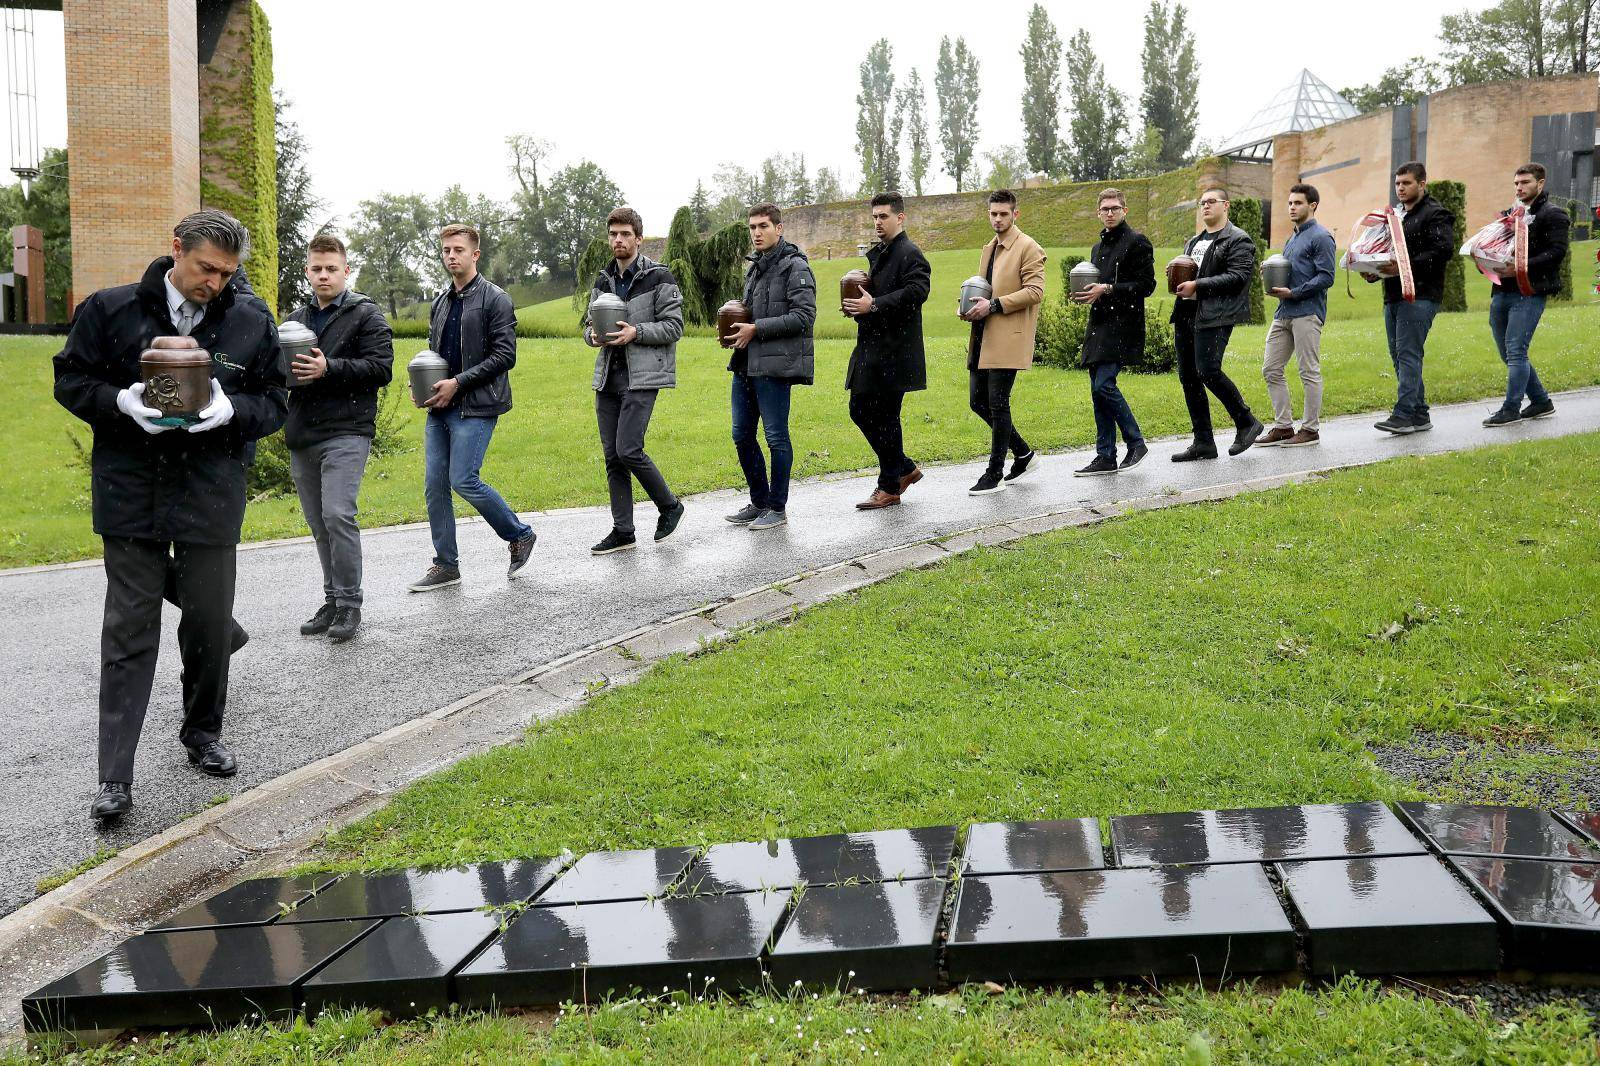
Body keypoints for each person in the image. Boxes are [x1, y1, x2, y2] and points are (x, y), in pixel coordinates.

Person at [53, 209, 287, 824]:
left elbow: (275, 401)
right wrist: (119, 400)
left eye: (227, 273)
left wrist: (230, 411)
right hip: (131, 488)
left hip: (212, 488)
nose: (216, 282)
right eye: (207, 267)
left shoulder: (249, 319)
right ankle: (114, 777)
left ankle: (202, 734)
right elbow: (69, 380)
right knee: (130, 629)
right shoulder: (112, 310)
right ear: (177, 248)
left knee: (208, 624)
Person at [408, 224, 536, 592]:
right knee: (435, 486)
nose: (451, 255)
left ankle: (520, 534)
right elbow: (433, 355)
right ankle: (446, 564)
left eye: (458, 249)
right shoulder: (440, 302)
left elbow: (505, 355)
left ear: (475, 254)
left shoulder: (496, 299)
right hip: (440, 408)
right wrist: (423, 384)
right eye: (446, 249)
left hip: (477, 405)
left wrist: (458, 384)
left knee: (463, 479)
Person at [281, 233, 394, 640]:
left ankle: (349, 605)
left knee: (337, 515)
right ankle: (331, 600)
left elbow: (381, 369)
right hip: (303, 433)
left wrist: (331, 369)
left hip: (347, 430)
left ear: (346, 270)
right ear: (307, 271)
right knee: (318, 523)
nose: (324, 275)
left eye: (332, 269)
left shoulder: (367, 315)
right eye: (316, 269)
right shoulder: (296, 319)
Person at [582, 207, 687, 554]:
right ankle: (623, 530)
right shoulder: (602, 280)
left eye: (625, 234)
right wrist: (593, 337)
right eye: (613, 234)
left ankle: (670, 506)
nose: (618, 240)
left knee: (629, 449)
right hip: (608, 377)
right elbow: (588, 325)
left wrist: (636, 332)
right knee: (613, 456)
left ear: (639, 239)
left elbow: (674, 327)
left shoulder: (660, 277)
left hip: (642, 377)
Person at [722, 202, 815, 531]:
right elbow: (749, 311)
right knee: (741, 434)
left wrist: (757, 329)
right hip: (746, 362)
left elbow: (804, 317)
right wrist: (734, 326)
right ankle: (760, 501)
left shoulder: (795, 267)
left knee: (776, 437)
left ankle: (777, 507)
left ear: (779, 228)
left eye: (763, 226)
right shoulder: (755, 267)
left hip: (776, 367)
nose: (757, 233)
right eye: (752, 227)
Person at [843, 191, 931, 509]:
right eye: (875, 217)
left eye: (884, 216)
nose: (878, 222)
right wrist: (858, 305)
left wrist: (875, 304)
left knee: (884, 416)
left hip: (896, 352)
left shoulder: (910, 252)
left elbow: (918, 291)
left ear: (900, 217)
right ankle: (903, 469)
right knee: (862, 409)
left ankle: (890, 484)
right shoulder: (881, 252)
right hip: (873, 349)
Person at [960, 189, 1046, 494]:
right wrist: (969, 305)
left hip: (1008, 337)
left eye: (1003, 214)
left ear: (1015, 214)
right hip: (982, 335)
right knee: (977, 402)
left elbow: (1035, 291)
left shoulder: (1029, 248)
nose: (997, 219)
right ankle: (1023, 454)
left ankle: (994, 473)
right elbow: (984, 288)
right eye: (993, 214)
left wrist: (993, 305)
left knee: (997, 404)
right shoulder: (989, 248)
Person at [1170, 188, 1264, 461]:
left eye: (1211, 202)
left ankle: (1246, 421)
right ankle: (1203, 442)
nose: (1205, 206)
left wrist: (1197, 284)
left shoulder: (1238, 240)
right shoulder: (1194, 242)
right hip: (1187, 313)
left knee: (1208, 371)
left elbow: (1238, 277)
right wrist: (1177, 273)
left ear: (1226, 205)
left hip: (1217, 314)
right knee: (1188, 376)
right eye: (1202, 203)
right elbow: (1192, 269)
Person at [1072, 187, 1153, 475]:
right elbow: (1096, 285)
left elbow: (1147, 286)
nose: (1109, 213)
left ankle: (1136, 442)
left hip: (1123, 326)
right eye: (1104, 209)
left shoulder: (1137, 242)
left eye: (1114, 208)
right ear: (1098, 213)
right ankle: (1105, 456)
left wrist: (1107, 289)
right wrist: (1086, 294)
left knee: (1103, 386)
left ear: (1124, 210)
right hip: (1098, 326)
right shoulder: (1097, 248)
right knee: (1097, 392)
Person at [1482, 162, 1569, 427]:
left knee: (1516, 350)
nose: (1519, 188)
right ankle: (1541, 401)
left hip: (1530, 291)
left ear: (1540, 184)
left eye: (1525, 183)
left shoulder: (1554, 214)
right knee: (1507, 353)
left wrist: (1521, 266)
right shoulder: (1510, 214)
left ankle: (1510, 409)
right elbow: (1500, 246)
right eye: (1516, 184)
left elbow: (1556, 253)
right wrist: (1486, 258)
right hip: (1502, 290)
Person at [1373, 162, 1454, 435]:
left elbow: (1442, 251)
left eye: (1406, 183)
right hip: (1393, 294)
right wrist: (1374, 270)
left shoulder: (1436, 214)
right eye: (1397, 184)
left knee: (1408, 354)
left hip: (1421, 295)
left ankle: (1404, 414)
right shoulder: (1396, 217)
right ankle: (1419, 414)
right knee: (1398, 355)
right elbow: (1387, 253)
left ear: (1422, 184)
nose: (1400, 189)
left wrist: (1403, 266)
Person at [1259, 183, 1336, 448]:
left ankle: (1310, 429)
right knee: (1271, 368)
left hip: (1307, 313)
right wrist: (1270, 269)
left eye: (1298, 203)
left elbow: (1326, 277)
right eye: (1290, 203)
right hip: (1284, 313)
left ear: (1312, 205)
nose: (1292, 207)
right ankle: (1283, 426)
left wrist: (1293, 292)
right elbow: (1290, 271)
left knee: (1308, 371)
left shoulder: (1322, 237)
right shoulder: (1292, 238)